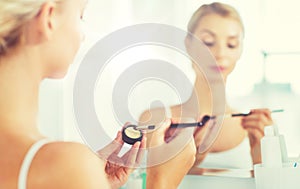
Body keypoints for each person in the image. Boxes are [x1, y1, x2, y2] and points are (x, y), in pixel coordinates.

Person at [0, 0, 195, 189]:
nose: (83, 35)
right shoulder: (65, 166)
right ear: (49, 18)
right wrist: (161, 181)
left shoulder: (66, 169)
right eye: (81, 15)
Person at [139, 2, 274, 175]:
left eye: (231, 44)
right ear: (188, 44)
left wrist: (263, 164)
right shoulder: (155, 121)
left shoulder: (256, 129)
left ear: (240, 50)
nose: (220, 53)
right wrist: (187, 164)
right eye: (208, 42)